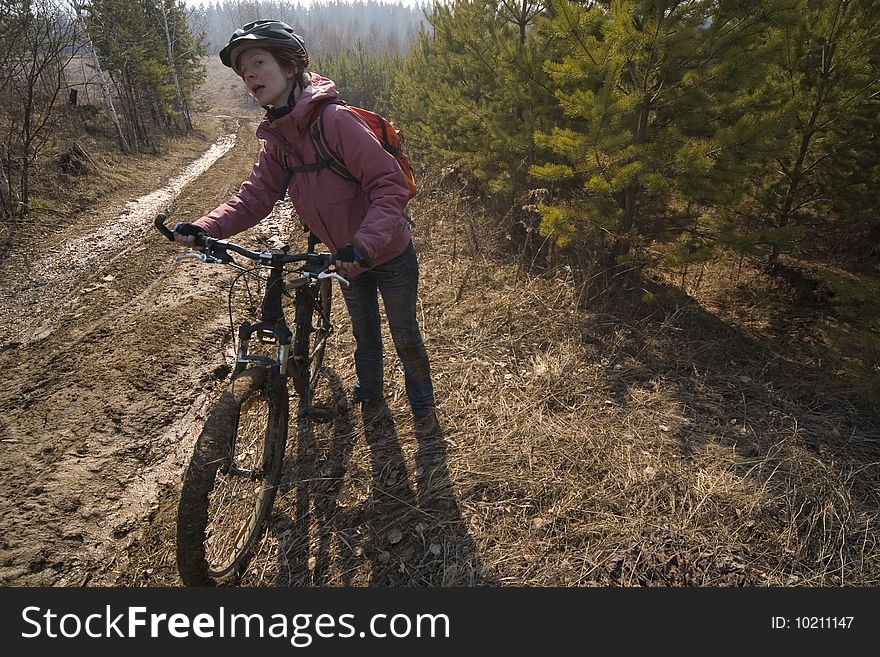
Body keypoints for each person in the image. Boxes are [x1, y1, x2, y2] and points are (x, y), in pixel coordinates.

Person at [172, 20, 437, 433]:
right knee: (364, 334)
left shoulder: (335, 121)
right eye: (245, 71)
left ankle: (423, 408)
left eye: (259, 63)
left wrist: (363, 245)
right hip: (344, 258)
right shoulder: (279, 141)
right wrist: (206, 227)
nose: (251, 76)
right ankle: (371, 397)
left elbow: (391, 185)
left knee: (404, 332)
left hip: (386, 251)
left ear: (291, 67)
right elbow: (254, 198)